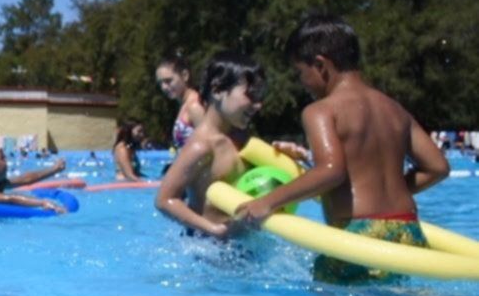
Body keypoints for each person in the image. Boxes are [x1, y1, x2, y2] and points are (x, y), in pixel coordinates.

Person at [234, 15, 450, 281]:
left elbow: (331, 171)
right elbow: (438, 167)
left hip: (359, 235)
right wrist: (389, 192)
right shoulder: (395, 109)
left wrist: (267, 202)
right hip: (408, 230)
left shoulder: (320, 111)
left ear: (320, 65)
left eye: (300, 73)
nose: (302, 83)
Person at [154, 51, 265, 239]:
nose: (258, 105)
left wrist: (285, 153)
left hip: (237, 244)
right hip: (208, 246)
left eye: (259, 97)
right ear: (217, 90)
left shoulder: (240, 138)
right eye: (251, 95)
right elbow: (164, 200)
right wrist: (214, 230)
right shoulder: (202, 146)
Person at [0, 145, 68, 212]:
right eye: (2, 158)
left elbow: (26, 179)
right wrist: (43, 202)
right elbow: (10, 199)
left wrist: (54, 169)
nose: (7, 161)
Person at [155, 53, 206, 150]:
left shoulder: (195, 106)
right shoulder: (184, 105)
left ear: (185, 75)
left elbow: (210, 143)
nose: (164, 87)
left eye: (168, 81)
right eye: (160, 83)